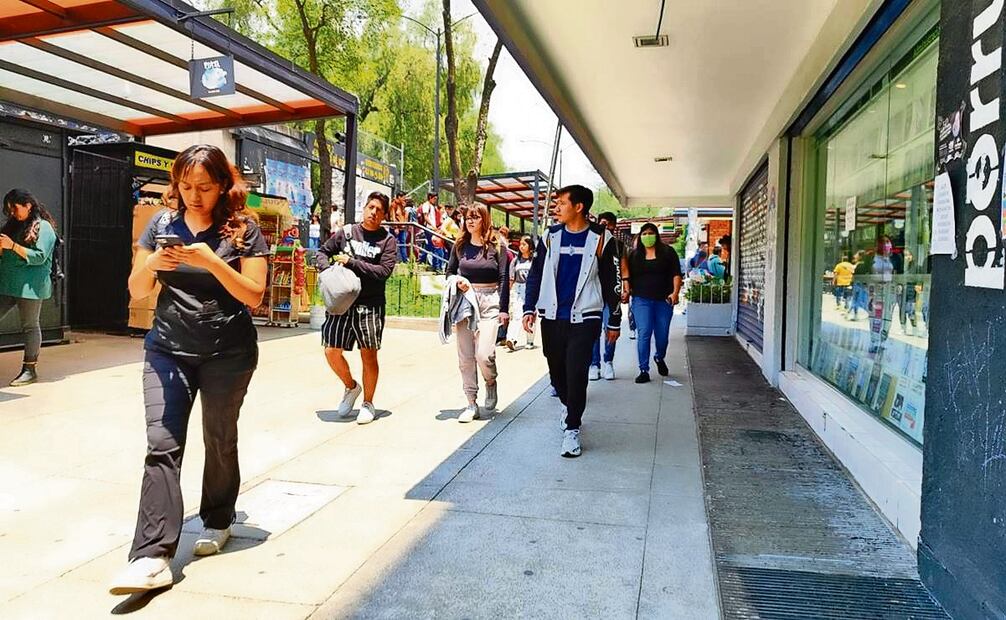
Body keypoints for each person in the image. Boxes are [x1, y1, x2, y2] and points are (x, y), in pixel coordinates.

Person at [110, 145, 270, 594]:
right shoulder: (161, 225)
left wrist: (211, 261)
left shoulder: (243, 229)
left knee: (219, 439)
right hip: (167, 349)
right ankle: (151, 556)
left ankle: (218, 517)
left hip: (228, 353)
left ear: (223, 186)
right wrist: (152, 264)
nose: (194, 196)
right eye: (185, 186)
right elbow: (137, 291)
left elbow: (254, 295)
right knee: (162, 444)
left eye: (204, 187)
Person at [523, 185, 621, 458]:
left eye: (562, 203)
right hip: (552, 316)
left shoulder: (602, 237)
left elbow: (612, 281)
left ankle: (572, 427)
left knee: (577, 372)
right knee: (557, 373)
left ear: (579, 207)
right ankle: (570, 407)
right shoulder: (550, 236)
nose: (556, 208)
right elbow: (535, 273)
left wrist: (614, 320)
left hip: (586, 317)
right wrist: (529, 307)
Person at [317, 192, 397, 425]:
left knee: (368, 354)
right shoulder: (347, 232)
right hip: (342, 304)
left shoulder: (387, 241)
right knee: (331, 350)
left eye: (379, 210)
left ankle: (368, 403)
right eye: (371, 207)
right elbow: (323, 251)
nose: (373, 212)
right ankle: (351, 386)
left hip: (370, 305)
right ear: (364, 207)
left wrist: (352, 263)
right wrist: (326, 271)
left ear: (384, 215)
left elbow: (383, 272)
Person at [446, 204, 510, 422]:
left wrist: (504, 309)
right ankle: (471, 402)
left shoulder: (497, 245)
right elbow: (449, 272)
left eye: (475, 217)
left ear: (484, 219)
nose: (470, 221)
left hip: (489, 301)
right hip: (465, 303)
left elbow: (503, 278)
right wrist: (458, 281)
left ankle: (490, 381)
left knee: (484, 354)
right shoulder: (459, 246)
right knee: (465, 356)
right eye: (467, 218)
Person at [0, 189, 57, 387]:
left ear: (28, 205)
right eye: (9, 210)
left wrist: (12, 246)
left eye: (15, 208)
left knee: (30, 325)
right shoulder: (13, 225)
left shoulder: (44, 227)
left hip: (30, 286)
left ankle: (29, 370)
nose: (12, 213)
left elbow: (40, 256)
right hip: (7, 283)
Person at [622, 222, 683, 384]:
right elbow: (626, 275)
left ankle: (659, 357)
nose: (647, 236)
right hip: (641, 300)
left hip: (664, 300)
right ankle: (643, 369)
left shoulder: (668, 252)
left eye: (651, 233)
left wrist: (675, 293)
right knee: (644, 332)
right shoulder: (634, 256)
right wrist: (626, 291)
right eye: (644, 234)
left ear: (656, 235)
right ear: (640, 236)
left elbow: (676, 274)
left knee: (662, 335)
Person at [589, 212, 625, 381]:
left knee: (610, 328)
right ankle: (594, 364)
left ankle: (608, 361)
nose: (606, 227)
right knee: (593, 330)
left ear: (614, 226)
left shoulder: (618, 245)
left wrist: (626, 288)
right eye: (603, 223)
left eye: (609, 224)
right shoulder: (590, 242)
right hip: (592, 294)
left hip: (610, 294)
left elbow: (622, 268)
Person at [505, 234, 536, 350]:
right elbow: (511, 278)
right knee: (517, 314)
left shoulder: (535, 261)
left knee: (531, 314)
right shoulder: (515, 261)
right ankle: (511, 338)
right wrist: (508, 293)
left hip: (531, 289)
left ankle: (530, 340)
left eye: (524, 244)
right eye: (520, 244)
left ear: (530, 246)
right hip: (518, 288)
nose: (521, 246)